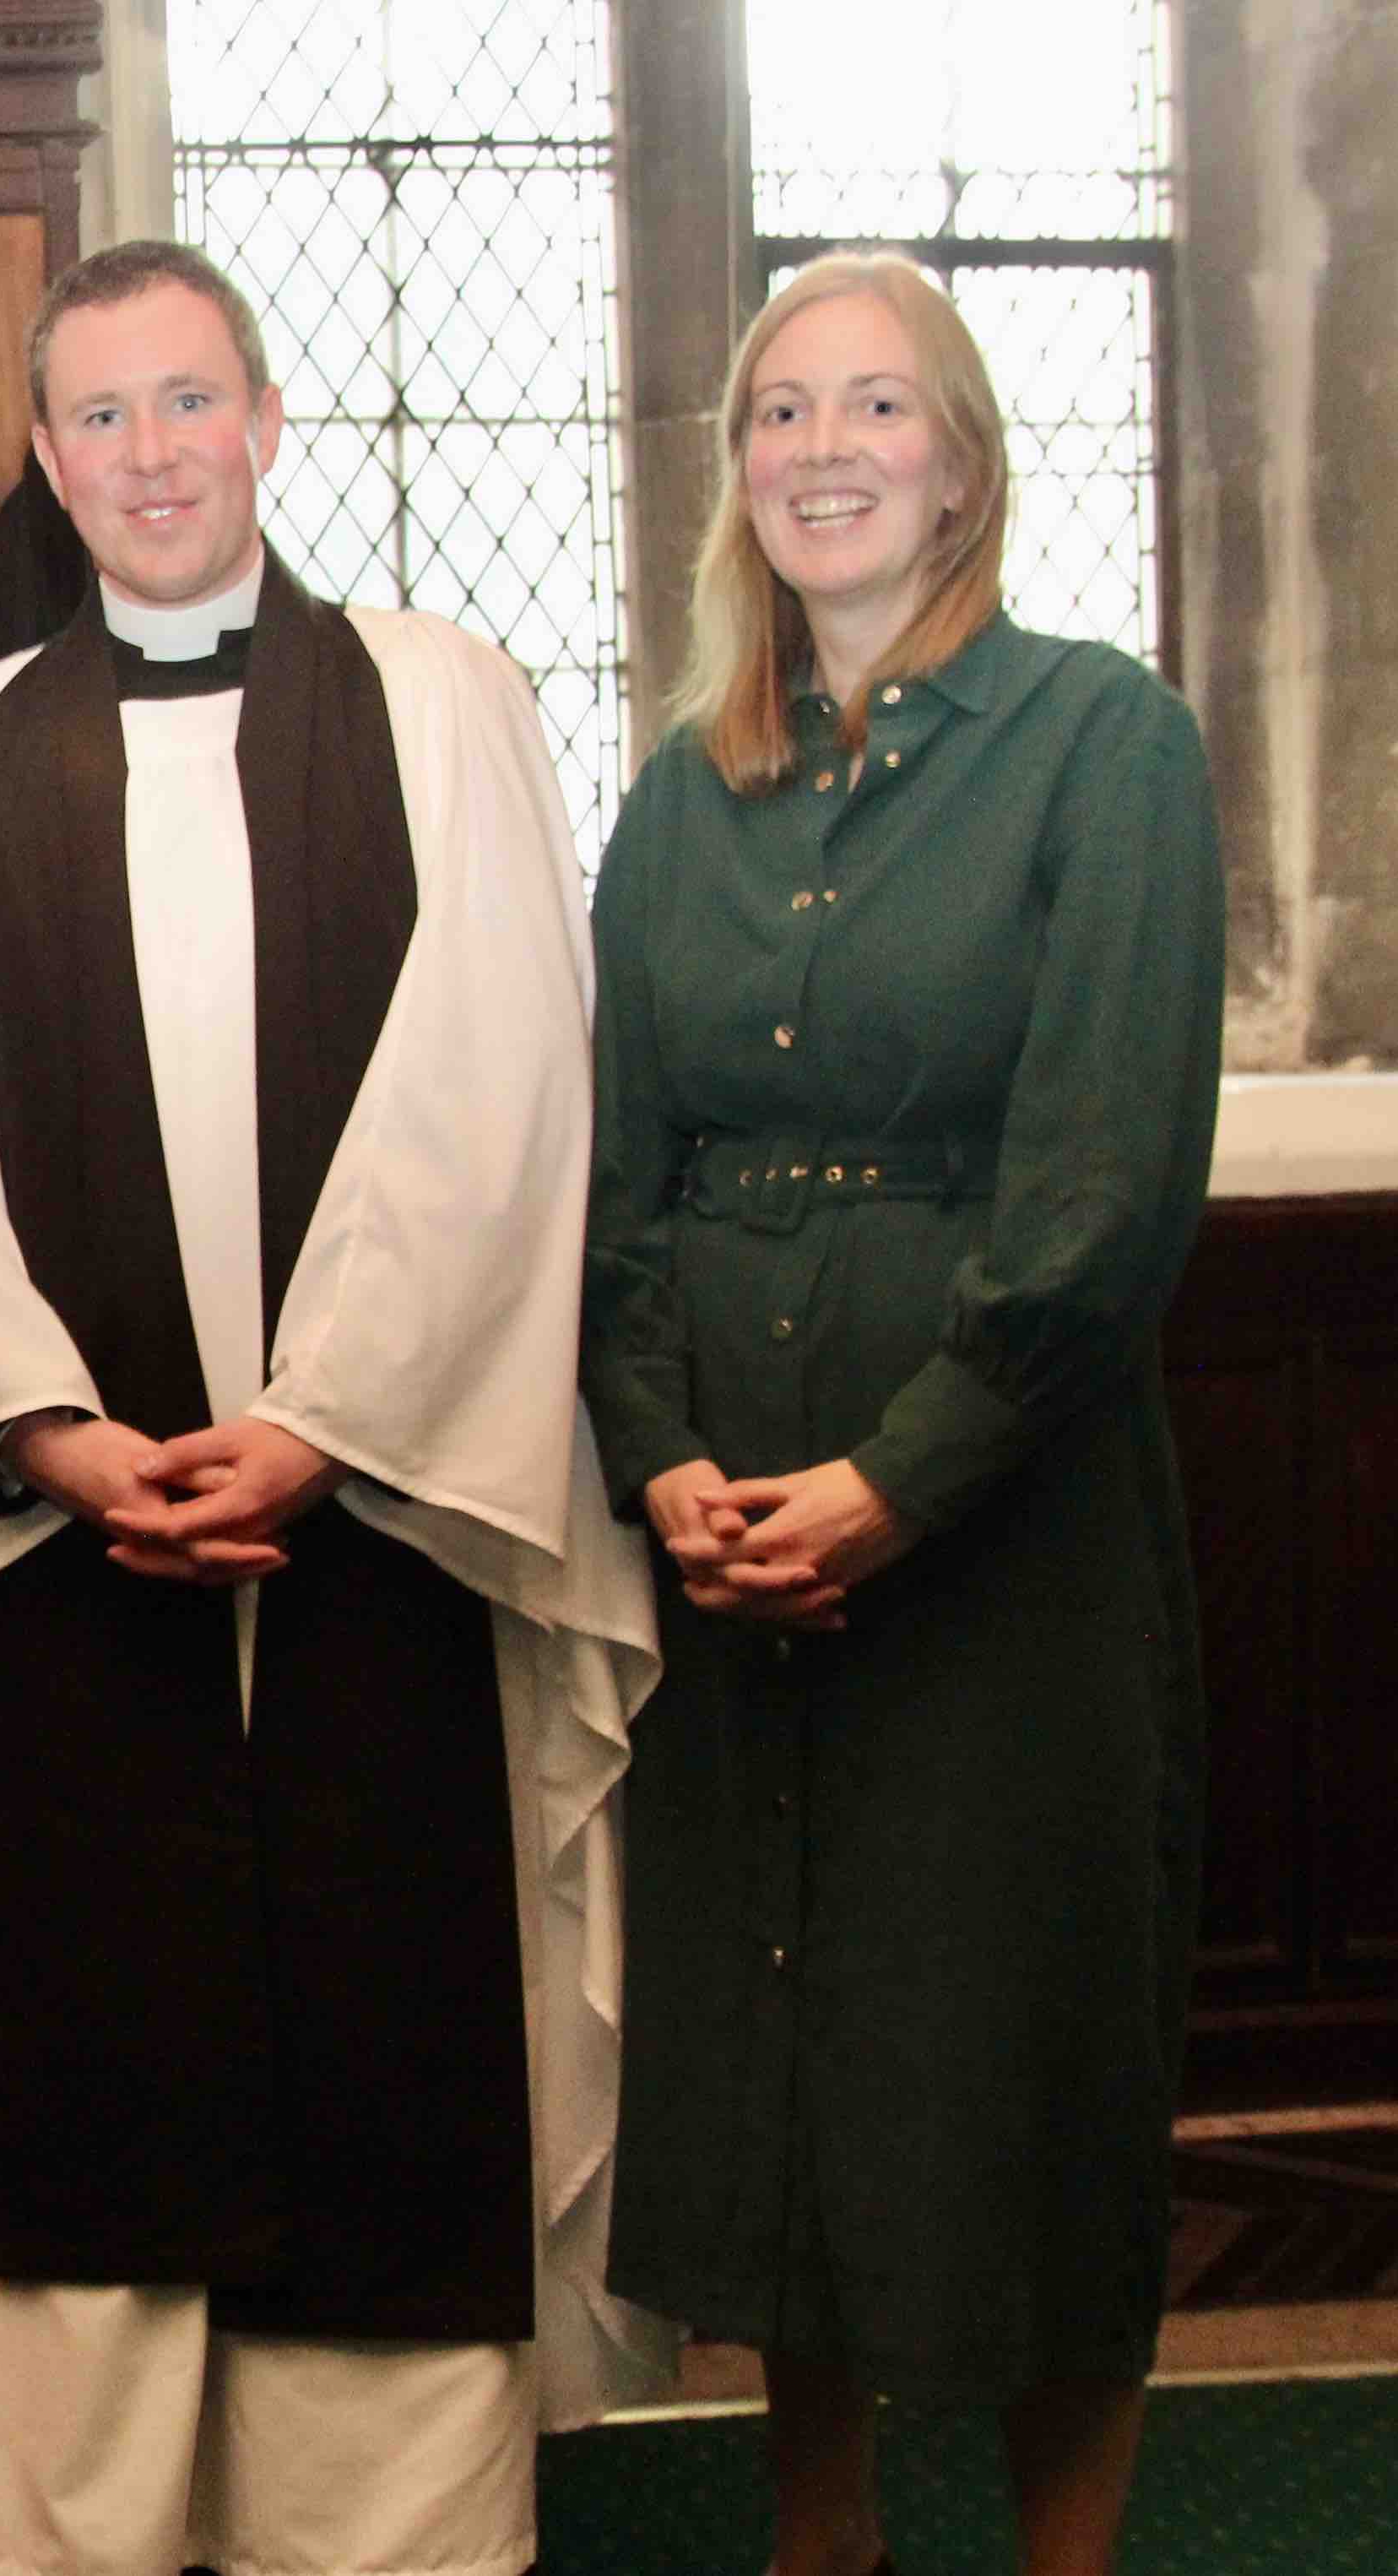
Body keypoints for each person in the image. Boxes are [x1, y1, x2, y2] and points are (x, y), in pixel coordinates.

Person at [0, 241, 668, 2576]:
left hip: (381, 1531)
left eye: (185, 401)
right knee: (90, 2088)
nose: (148, 456)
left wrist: (327, 1422)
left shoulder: (441, 702)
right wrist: (43, 1427)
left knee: (387, 2081)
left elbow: (500, 1084)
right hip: (68, 1534)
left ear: (269, 413)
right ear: (42, 456)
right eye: (97, 419)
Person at [580, 250, 1222, 2576]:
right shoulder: (682, 792)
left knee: (1020, 2044)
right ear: (736, 472)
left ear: (961, 460)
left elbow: (1104, 1194)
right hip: (730, 1517)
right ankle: (818, 2533)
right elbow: (611, 1176)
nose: (822, 451)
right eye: (778, 412)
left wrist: (890, 1482)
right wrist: (662, 1453)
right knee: (786, 2044)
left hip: (1002, 1517)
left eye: (875, 408)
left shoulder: (1102, 742)